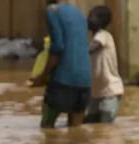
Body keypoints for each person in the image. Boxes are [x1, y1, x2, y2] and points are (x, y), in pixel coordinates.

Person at [29, 0, 91, 129]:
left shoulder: (52, 11)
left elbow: (57, 48)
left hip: (64, 79)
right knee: (75, 132)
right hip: (85, 82)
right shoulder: (78, 13)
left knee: (46, 130)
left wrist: (42, 77)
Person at [85, 5, 123, 124]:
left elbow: (92, 49)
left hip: (110, 90)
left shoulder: (104, 35)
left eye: (92, 17)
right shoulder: (95, 38)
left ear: (100, 22)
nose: (89, 19)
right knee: (93, 125)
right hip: (96, 92)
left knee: (106, 126)